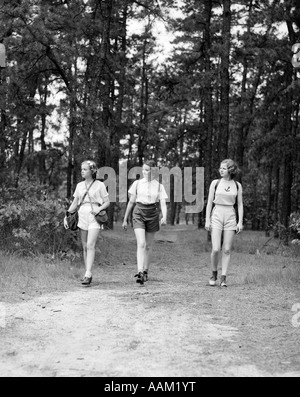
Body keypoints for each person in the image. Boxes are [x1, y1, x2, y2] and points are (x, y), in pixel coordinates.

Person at [64, 160, 110, 286]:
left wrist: (99, 209)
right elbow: (75, 203)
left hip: (94, 216)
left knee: (90, 245)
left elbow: (107, 202)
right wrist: (66, 215)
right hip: (82, 215)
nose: (82, 171)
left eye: (85, 169)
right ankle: (87, 272)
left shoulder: (100, 185)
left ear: (92, 171)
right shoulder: (79, 185)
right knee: (84, 246)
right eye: (81, 169)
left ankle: (88, 274)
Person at [122, 160, 168, 286]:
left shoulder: (159, 186)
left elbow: (163, 203)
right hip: (138, 213)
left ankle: (146, 270)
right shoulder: (137, 183)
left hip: (152, 213)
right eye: (143, 169)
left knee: (148, 245)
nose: (144, 172)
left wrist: (164, 216)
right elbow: (131, 202)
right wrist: (125, 219)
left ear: (153, 171)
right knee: (141, 243)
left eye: (147, 170)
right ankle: (140, 271)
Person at [205, 159, 243, 288]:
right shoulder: (215, 183)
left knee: (226, 249)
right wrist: (207, 220)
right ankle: (214, 273)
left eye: (224, 168)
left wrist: (240, 222)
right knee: (216, 249)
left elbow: (240, 204)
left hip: (230, 215)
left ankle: (223, 278)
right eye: (220, 168)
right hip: (217, 214)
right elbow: (209, 202)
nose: (221, 170)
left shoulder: (237, 185)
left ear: (230, 170)